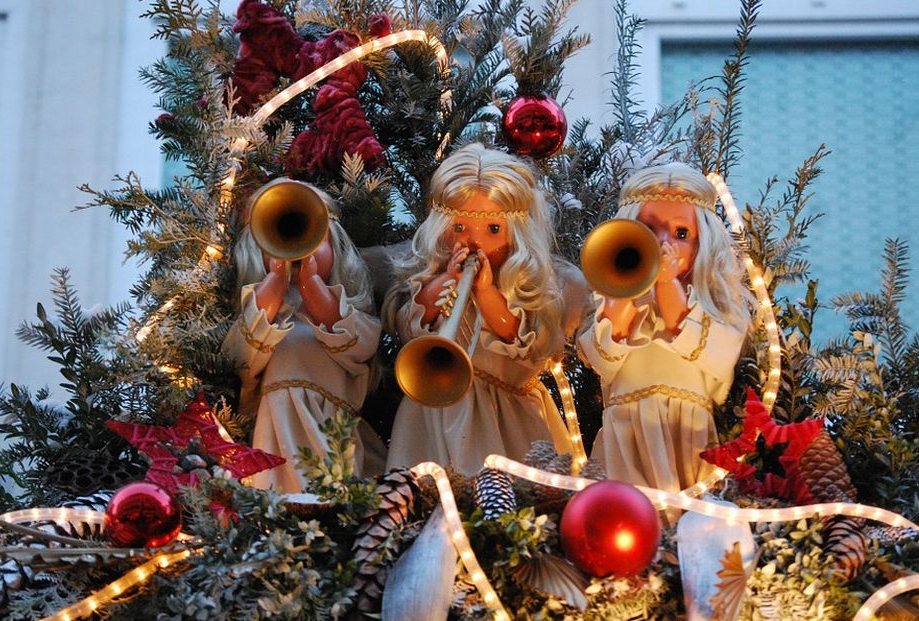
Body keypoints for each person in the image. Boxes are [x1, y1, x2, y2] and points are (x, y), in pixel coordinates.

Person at [384, 143, 573, 474]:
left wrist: (486, 292)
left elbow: (525, 340)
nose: (475, 241)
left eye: (493, 230)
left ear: (518, 232)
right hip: (432, 410)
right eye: (460, 227)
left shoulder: (525, 287)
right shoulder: (431, 275)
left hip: (509, 415)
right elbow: (407, 324)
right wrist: (444, 281)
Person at [577, 162, 754, 502]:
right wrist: (625, 290)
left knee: (688, 520)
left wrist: (667, 282)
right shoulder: (614, 296)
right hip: (625, 433)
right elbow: (602, 358)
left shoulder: (713, 305)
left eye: (681, 234)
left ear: (704, 243)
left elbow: (700, 344)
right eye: (649, 229)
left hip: (687, 435)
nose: (663, 244)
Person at [223, 179, 385, 492]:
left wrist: (315, 290)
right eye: (279, 238)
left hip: (332, 432)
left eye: (314, 239)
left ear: (335, 246)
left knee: (333, 489)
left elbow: (362, 348)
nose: (299, 251)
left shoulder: (343, 312)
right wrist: (274, 282)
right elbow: (239, 359)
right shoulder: (263, 311)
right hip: (272, 430)